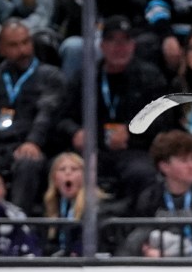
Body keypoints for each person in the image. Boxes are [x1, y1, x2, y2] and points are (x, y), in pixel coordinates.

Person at [58, 14, 169, 200]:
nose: (120, 47)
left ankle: (139, 226)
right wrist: (75, 132)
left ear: (133, 45)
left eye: (125, 41)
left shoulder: (150, 77)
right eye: (112, 41)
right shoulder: (85, 78)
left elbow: (163, 120)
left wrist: (132, 132)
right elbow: (61, 117)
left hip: (134, 150)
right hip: (93, 150)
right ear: (102, 46)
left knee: (142, 173)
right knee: (69, 170)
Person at [0, 18, 66, 214]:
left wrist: (33, 141)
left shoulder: (51, 76)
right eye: (14, 45)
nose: (22, 50)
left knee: (27, 162)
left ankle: (19, 227)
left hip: (32, 146)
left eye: (26, 42)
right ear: (1, 49)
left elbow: (46, 112)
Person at [115, 130, 192, 257]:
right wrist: (148, 252)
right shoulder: (150, 197)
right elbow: (138, 235)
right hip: (162, 266)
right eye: (184, 160)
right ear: (164, 166)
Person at [40, 151, 114, 256]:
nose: (68, 173)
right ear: (54, 179)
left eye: (74, 169)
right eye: (62, 169)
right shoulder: (52, 207)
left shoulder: (97, 208)